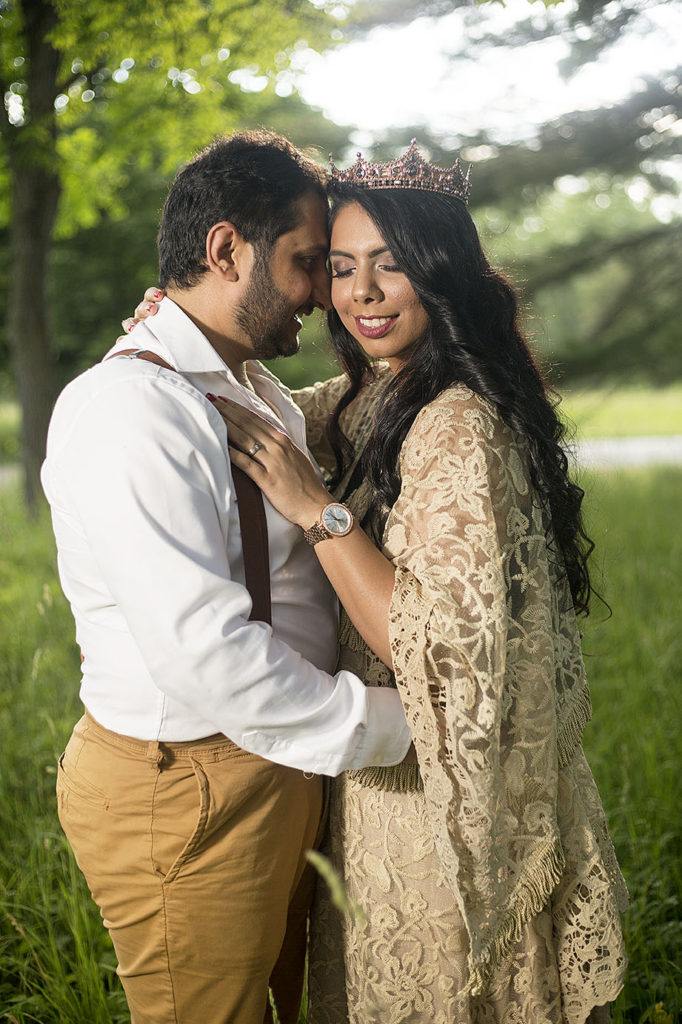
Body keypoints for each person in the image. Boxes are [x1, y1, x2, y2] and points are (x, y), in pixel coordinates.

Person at [202, 143, 630, 1023]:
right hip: (379, 777)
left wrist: (322, 513)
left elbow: (429, 648)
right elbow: (259, 409)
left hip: (443, 800)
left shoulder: (460, 426)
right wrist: (181, 329)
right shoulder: (368, 399)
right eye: (341, 267)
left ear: (438, 275)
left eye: (390, 268)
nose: (360, 293)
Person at [41, 130, 414, 1024]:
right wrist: (402, 724)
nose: (322, 292)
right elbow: (205, 653)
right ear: (224, 250)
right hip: (187, 786)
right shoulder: (130, 410)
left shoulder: (245, 384)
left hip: (273, 757)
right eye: (308, 262)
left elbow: (359, 410)